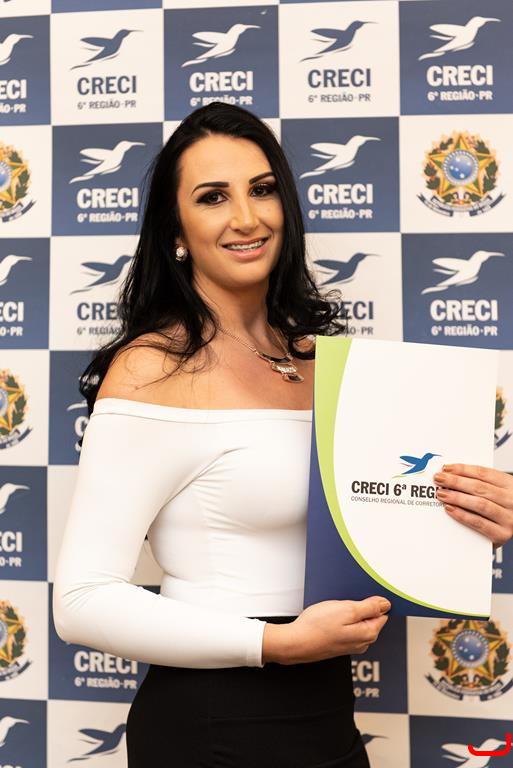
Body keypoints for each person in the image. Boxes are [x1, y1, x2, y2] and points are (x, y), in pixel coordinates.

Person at [53, 103, 513, 768]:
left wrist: (470, 518)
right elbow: (81, 603)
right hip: (214, 721)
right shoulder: (153, 367)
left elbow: (366, 525)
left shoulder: (321, 363)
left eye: (262, 189)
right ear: (175, 231)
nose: (246, 218)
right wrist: (276, 644)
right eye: (213, 197)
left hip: (326, 708)